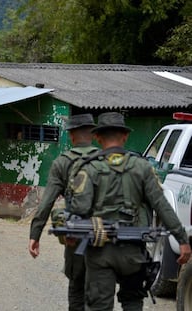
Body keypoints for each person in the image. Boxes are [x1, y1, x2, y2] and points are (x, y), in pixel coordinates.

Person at [69, 112, 191, 311]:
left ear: (98, 137)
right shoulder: (143, 168)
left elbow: (78, 209)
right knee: (133, 302)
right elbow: (162, 205)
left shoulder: (88, 168)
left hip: (100, 252)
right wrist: (182, 241)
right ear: (125, 137)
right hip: (134, 252)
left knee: (99, 306)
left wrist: (74, 232)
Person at [28, 113, 98, 311]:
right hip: (104, 238)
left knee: (76, 290)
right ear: (92, 134)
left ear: (71, 136)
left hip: (76, 237)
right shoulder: (107, 162)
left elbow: (46, 202)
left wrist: (35, 235)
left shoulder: (63, 162)